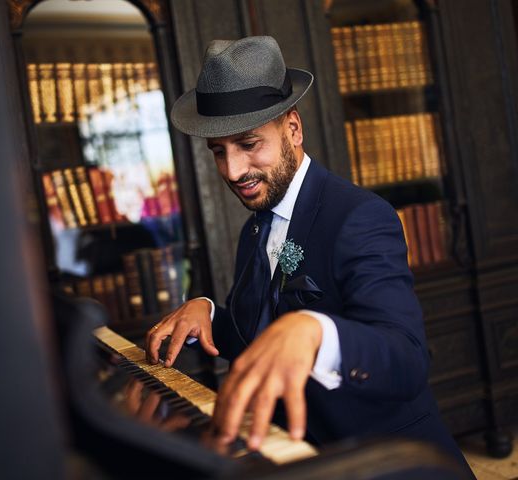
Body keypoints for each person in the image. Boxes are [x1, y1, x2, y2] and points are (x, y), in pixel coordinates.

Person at [144, 36, 472, 473]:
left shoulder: (361, 216)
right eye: (218, 152)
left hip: (388, 462)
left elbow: (408, 358)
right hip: (303, 460)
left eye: (248, 144)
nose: (233, 171)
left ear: (293, 129)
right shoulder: (253, 229)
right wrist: (208, 313)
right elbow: (264, 343)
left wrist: (315, 330)